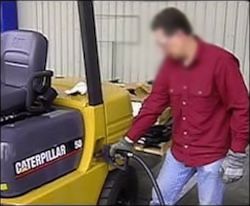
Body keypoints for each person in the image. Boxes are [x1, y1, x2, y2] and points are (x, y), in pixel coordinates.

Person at [110, 7, 249, 206]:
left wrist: (237, 153)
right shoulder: (170, 66)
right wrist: (129, 139)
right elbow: (153, 105)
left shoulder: (221, 62)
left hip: (212, 155)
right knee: (159, 200)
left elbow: (241, 108)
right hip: (180, 152)